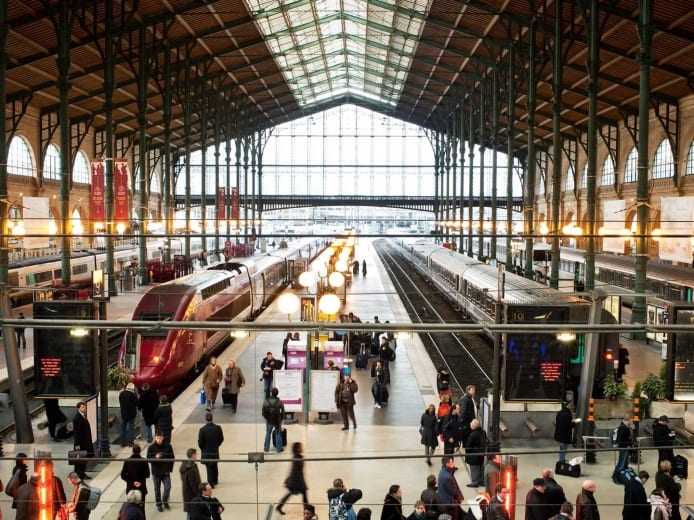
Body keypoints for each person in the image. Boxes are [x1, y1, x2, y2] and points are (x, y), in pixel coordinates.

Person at [277, 442, 309, 515]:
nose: (302, 448)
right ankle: (306, 511)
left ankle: (279, 506)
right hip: (297, 481)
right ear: (297, 449)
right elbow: (295, 472)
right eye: (300, 447)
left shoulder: (297, 457)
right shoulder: (297, 458)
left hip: (296, 480)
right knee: (303, 495)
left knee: (292, 494)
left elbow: (293, 471)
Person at [147, 433, 175, 511]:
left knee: (168, 487)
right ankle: (159, 504)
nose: (159, 440)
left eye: (160, 438)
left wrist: (170, 469)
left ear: (163, 438)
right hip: (156, 472)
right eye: (157, 438)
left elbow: (172, 458)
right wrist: (155, 458)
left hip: (165, 471)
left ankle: (165, 500)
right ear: (155, 438)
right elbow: (148, 459)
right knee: (157, 489)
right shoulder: (151, 447)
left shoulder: (168, 446)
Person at [198, 412, 224, 487]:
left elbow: (200, 443)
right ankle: (215, 480)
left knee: (209, 468)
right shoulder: (218, 428)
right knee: (215, 466)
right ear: (212, 418)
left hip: (206, 452)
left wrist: (203, 448)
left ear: (205, 419)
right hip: (215, 451)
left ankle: (211, 483)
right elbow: (221, 439)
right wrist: (216, 445)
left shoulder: (202, 430)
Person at [73, 401, 94, 480]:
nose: (84, 408)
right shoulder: (77, 418)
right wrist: (77, 445)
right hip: (81, 443)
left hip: (85, 442)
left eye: (84, 407)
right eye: (82, 407)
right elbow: (77, 433)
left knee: (83, 459)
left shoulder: (82, 416)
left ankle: (80, 473)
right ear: (78, 408)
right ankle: (81, 474)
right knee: (81, 459)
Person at [181, 448, 202, 519]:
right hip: (191, 495)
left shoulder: (185, 465)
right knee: (191, 512)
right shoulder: (190, 469)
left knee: (191, 512)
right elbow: (193, 484)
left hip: (188, 493)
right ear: (193, 455)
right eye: (196, 454)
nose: (197, 456)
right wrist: (199, 493)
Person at [262, 387, 285, 452]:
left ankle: (266, 448)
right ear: (277, 393)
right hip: (277, 421)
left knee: (268, 433)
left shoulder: (266, 401)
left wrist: (267, 418)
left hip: (269, 420)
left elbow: (263, 412)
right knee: (278, 433)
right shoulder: (279, 402)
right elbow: (283, 412)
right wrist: (281, 419)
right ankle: (279, 448)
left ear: (271, 393)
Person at [465, 419, 487, 488]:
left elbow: (468, 446)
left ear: (474, 426)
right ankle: (481, 481)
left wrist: (467, 452)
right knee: (480, 467)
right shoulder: (483, 432)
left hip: (473, 455)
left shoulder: (473, 434)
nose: (470, 425)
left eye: (471, 424)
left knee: (474, 468)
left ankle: (474, 482)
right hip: (481, 454)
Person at [612, 415, 632, 482]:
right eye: (628, 421)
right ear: (625, 421)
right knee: (622, 462)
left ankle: (618, 475)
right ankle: (617, 476)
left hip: (623, 446)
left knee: (623, 461)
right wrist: (628, 444)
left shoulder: (623, 427)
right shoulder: (624, 428)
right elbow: (624, 438)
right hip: (624, 446)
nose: (629, 422)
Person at [119, 383, 139, 447]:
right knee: (131, 429)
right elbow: (137, 403)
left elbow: (120, 402)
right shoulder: (133, 395)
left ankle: (123, 443)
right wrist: (136, 395)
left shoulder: (121, 394)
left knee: (123, 428)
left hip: (123, 414)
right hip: (131, 414)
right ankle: (130, 443)